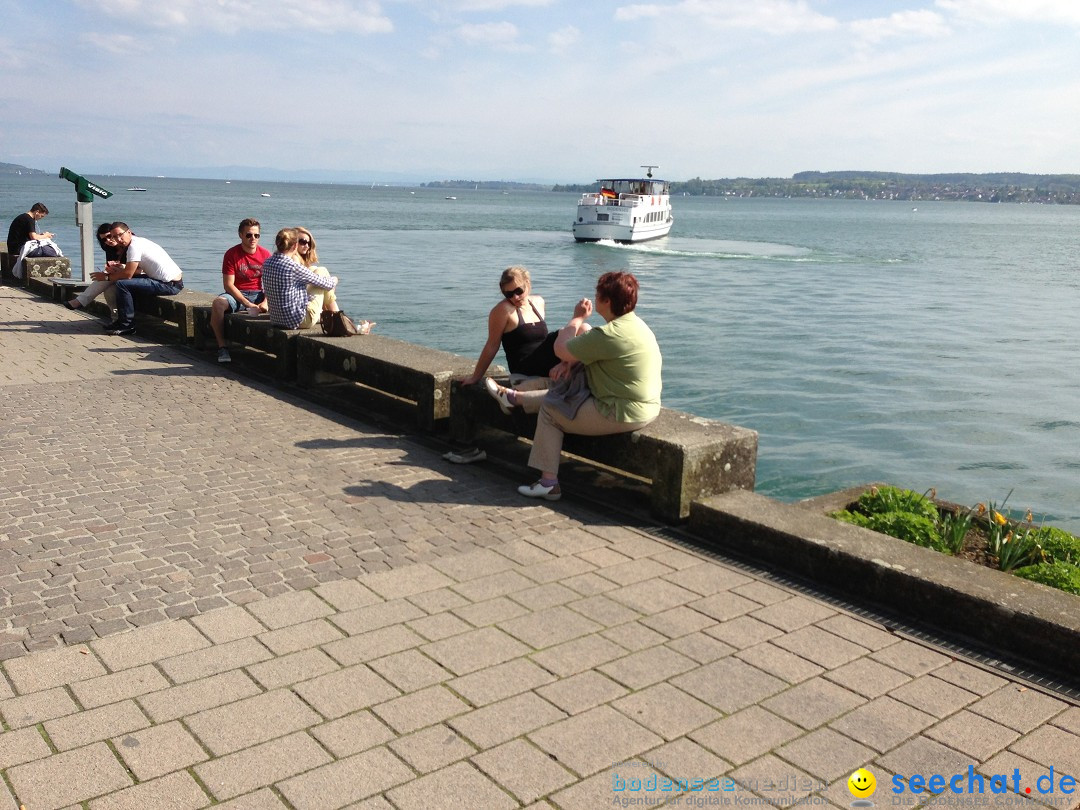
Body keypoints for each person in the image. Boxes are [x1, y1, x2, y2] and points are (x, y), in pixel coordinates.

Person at [485, 271, 662, 501]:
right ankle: (514, 398)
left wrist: (577, 318)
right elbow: (586, 355)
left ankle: (548, 483)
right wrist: (570, 363)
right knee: (573, 384)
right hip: (645, 405)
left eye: (598, 294)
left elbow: (560, 348)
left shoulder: (608, 334)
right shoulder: (636, 325)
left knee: (551, 411)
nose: (595, 297)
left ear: (606, 301)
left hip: (622, 410)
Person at [446, 266, 563, 464]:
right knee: (565, 333)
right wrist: (476, 377)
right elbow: (492, 345)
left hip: (541, 363)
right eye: (509, 294)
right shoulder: (502, 311)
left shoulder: (538, 302)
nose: (515, 297)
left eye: (519, 291)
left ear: (528, 285)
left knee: (571, 339)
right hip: (524, 365)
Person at [97, 222, 184, 336]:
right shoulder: (138, 241)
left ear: (128, 232)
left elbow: (128, 275)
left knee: (122, 284)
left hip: (170, 284)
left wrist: (106, 277)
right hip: (163, 280)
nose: (118, 239)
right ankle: (121, 321)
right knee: (122, 284)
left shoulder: (134, 246)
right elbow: (134, 271)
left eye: (120, 235)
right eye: (114, 236)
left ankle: (128, 325)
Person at [210, 218, 271, 363]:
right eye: (249, 235)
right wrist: (246, 303)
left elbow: (270, 283)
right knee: (218, 304)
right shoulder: (232, 254)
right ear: (240, 235)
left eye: (256, 235)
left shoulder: (266, 255)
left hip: (258, 293)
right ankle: (222, 347)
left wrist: (266, 301)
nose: (253, 239)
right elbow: (228, 285)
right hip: (238, 294)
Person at [294, 227, 374, 333]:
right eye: (303, 242)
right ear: (293, 242)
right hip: (299, 317)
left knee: (315, 270)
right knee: (322, 271)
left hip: (291, 314)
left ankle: (340, 319)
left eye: (309, 243)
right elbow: (323, 283)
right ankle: (341, 321)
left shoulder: (289, 260)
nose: (307, 246)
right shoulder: (294, 261)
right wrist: (334, 280)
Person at [262, 228, 340, 330]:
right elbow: (327, 284)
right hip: (299, 321)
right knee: (322, 271)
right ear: (295, 246)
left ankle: (335, 316)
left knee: (313, 269)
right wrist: (335, 279)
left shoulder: (267, 263)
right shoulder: (293, 267)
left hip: (276, 320)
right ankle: (338, 319)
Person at [62, 223, 125, 318]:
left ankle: (80, 301)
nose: (108, 240)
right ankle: (116, 320)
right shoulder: (110, 249)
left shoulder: (128, 246)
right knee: (109, 291)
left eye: (109, 236)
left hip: (134, 276)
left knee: (105, 278)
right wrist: (110, 269)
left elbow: (132, 268)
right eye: (104, 239)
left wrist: (115, 269)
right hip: (120, 278)